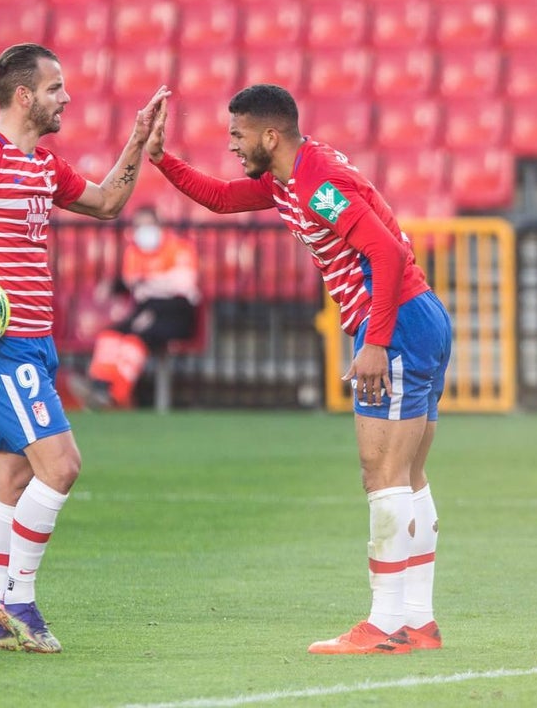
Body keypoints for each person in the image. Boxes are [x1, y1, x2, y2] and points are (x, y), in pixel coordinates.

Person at [146, 84, 452, 655]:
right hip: (420, 314)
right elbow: (219, 197)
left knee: (380, 473)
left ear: (270, 135)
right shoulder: (292, 175)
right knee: (408, 475)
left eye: (237, 134)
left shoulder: (315, 184)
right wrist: (162, 159)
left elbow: (385, 253)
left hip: (397, 324)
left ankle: (385, 625)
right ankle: (418, 620)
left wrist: (375, 343)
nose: (231, 145)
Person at [0, 43, 169, 653]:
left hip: (38, 342)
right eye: (56, 88)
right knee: (62, 466)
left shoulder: (45, 166)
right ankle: (19, 602)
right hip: (0, 347)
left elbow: (107, 202)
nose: (68, 98)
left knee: (11, 479)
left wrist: (136, 143)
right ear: (25, 95)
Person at [77, 205, 200, 409]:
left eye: (148, 226)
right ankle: (99, 386)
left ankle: (116, 396)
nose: (143, 231)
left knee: (135, 339)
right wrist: (156, 283)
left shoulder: (179, 247)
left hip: (176, 312)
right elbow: (133, 283)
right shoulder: (134, 252)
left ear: (159, 226)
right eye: (138, 227)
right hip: (147, 310)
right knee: (111, 335)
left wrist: (149, 284)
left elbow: (183, 284)